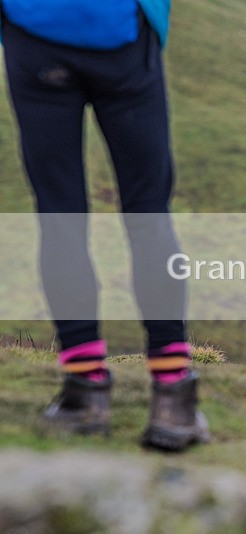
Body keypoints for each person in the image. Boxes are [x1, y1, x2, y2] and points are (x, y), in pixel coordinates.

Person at [1, 0, 210, 450]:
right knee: (149, 214)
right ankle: (173, 399)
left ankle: (84, 393)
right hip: (122, 33)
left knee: (60, 216)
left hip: (33, 32)